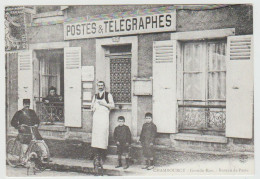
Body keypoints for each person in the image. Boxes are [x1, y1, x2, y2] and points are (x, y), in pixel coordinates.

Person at [11, 99, 48, 163]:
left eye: (28, 104)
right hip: (24, 131)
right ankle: (23, 159)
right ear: (23, 104)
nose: (27, 106)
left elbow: (37, 120)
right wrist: (19, 126)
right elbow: (13, 122)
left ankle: (45, 156)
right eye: (26, 104)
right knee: (25, 146)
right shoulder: (19, 113)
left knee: (40, 142)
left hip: (33, 130)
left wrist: (36, 124)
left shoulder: (32, 112)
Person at [91, 81, 115, 161]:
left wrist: (104, 104)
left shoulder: (108, 95)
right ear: (97, 86)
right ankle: (96, 154)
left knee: (103, 134)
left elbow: (113, 106)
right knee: (96, 135)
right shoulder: (95, 96)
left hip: (104, 118)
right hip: (96, 118)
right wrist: (93, 108)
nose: (100, 87)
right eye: (99, 85)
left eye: (102, 85)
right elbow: (92, 107)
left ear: (104, 86)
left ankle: (102, 154)